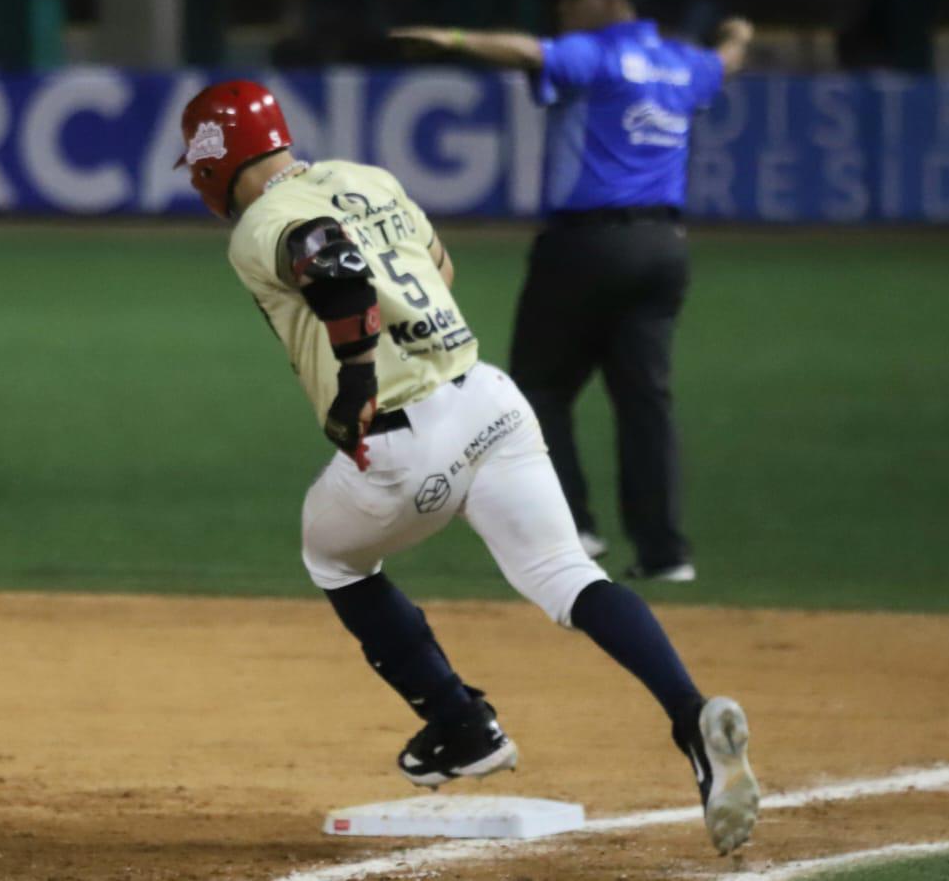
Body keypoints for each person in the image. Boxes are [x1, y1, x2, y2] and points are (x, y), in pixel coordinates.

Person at [176, 79, 759, 854]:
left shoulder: (262, 223)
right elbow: (436, 270)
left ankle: (459, 720)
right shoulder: (365, 176)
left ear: (216, 156)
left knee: (332, 552)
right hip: (489, 400)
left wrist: (354, 370)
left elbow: (330, 259)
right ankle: (691, 718)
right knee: (567, 574)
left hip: (404, 439)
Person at [392, 0, 754, 581]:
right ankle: (666, 554)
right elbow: (726, 61)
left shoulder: (596, 55)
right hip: (664, 248)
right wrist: (741, 34)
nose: (560, 14)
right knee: (646, 404)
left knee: (540, 390)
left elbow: (527, 53)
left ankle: (575, 528)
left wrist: (454, 39)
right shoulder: (683, 65)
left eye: (567, 0)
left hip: (585, 245)